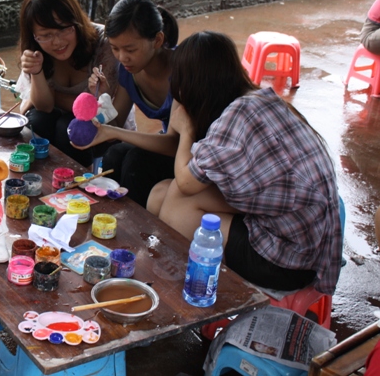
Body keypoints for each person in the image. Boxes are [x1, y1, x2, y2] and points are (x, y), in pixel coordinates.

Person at [147, 31, 342, 295]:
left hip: (289, 259)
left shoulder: (237, 115)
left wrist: (187, 130)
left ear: (193, 84)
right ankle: (173, 275)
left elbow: (186, 181)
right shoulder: (260, 98)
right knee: (161, 193)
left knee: (178, 201)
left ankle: (187, 292)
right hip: (300, 234)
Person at [79, 0, 179, 208]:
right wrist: (102, 99)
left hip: (196, 152)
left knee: (137, 161)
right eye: (115, 48)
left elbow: (175, 143)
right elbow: (115, 125)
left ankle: (137, 227)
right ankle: (113, 216)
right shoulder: (128, 72)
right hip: (169, 144)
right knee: (115, 153)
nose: (122, 57)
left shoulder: (182, 70)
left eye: (130, 50)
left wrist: (115, 133)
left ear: (158, 40)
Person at [16, 0, 120, 166]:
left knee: (68, 126)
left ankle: (73, 185)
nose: (57, 42)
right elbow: (45, 106)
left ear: (76, 21)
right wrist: (37, 72)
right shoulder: (35, 52)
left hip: (101, 128)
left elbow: (99, 110)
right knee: (37, 121)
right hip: (53, 121)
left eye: (64, 29)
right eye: (46, 35)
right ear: (34, 36)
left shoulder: (104, 45)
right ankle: (38, 178)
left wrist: (55, 95)